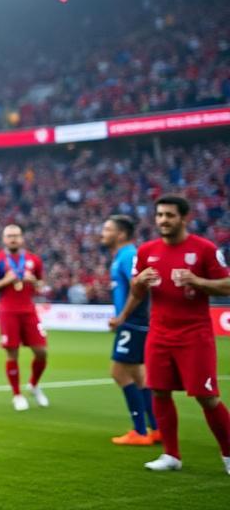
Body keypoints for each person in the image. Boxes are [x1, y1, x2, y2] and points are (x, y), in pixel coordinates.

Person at [112, 195, 230, 474]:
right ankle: (171, 455)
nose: (163, 220)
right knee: (159, 392)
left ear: (184, 218)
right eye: (160, 215)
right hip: (159, 334)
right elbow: (137, 292)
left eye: (170, 215)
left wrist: (196, 281)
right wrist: (139, 284)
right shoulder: (146, 251)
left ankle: (228, 453)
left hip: (195, 335)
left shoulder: (204, 249)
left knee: (206, 396)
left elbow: (226, 285)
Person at [103, 214, 160, 445]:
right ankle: (156, 428)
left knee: (119, 373)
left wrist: (123, 317)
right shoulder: (123, 256)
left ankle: (139, 431)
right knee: (138, 375)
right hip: (135, 322)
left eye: (108, 230)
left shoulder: (128, 256)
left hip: (133, 322)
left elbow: (139, 287)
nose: (103, 234)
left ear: (121, 234)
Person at [0, 225, 49, 411]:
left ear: (22, 238)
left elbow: (42, 285)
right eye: (9, 236)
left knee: (41, 351)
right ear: (4, 239)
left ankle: (33, 385)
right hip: (8, 311)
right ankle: (17, 394)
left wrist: (34, 281)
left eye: (16, 235)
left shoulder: (34, 260)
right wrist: (6, 280)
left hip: (29, 310)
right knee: (12, 352)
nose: (13, 239)